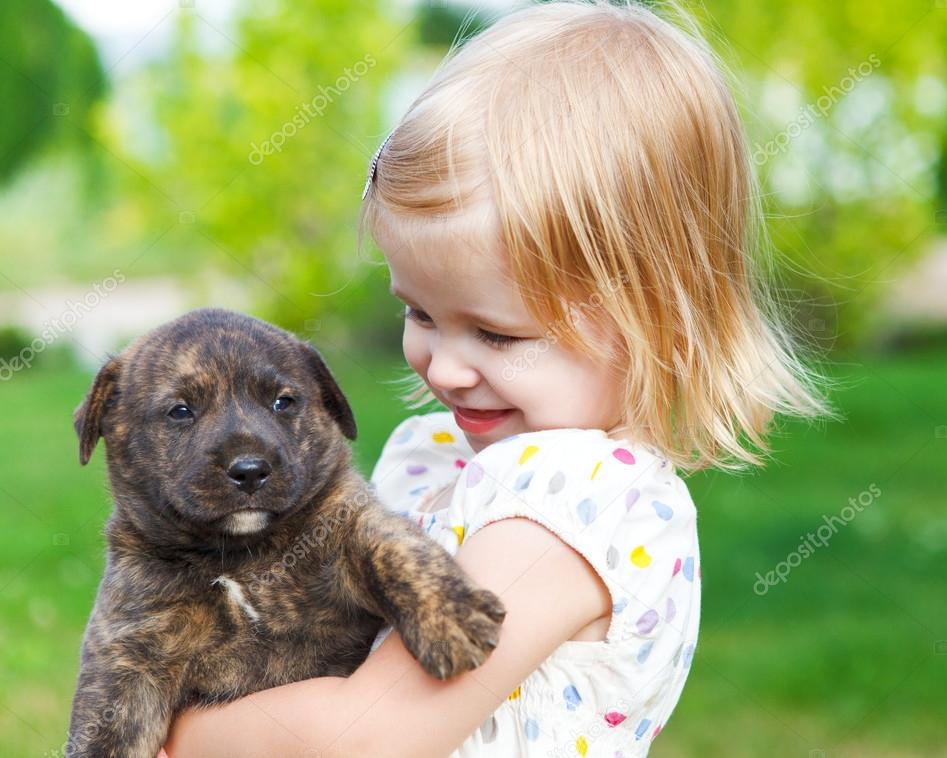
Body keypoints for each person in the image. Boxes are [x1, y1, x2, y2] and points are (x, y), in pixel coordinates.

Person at [162, 0, 833, 755]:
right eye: (419, 312)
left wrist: (172, 733)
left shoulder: (573, 509)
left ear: (655, 318)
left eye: (497, 334)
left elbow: (368, 734)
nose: (446, 367)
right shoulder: (452, 459)